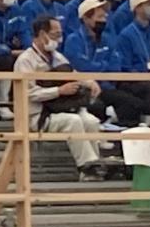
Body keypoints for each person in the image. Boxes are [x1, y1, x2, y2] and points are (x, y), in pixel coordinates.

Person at [15, 15, 109, 180]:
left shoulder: (57, 57)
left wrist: (89, 82)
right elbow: (28, 93)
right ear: (43, 34)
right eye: (55, 34)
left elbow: (72, 74)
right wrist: (58, 91)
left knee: (91, 121)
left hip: (63, 108)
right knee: (73, 121)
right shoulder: (25, 61)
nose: (59, 38)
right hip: (38, 115)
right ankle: (87, 167)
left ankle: (96, 168)